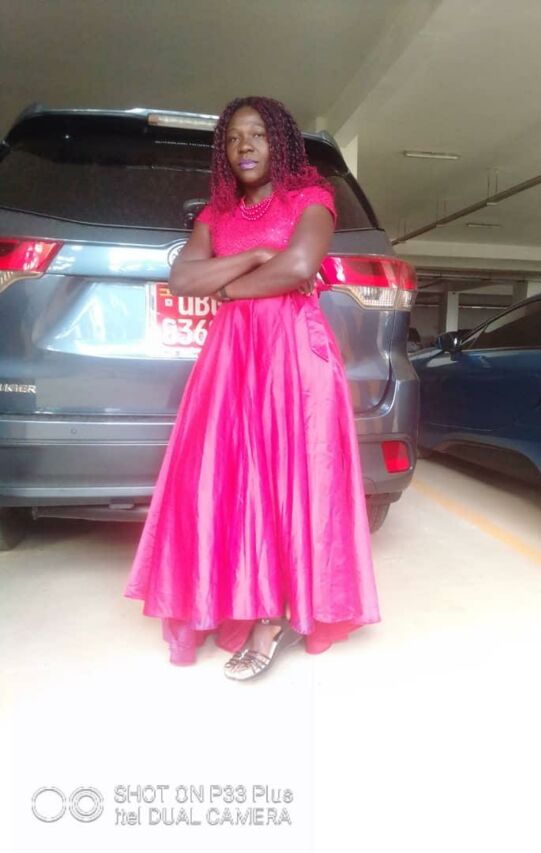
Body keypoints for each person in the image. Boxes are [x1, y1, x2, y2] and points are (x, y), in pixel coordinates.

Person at [123, 96, 381, 680]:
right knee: (227, 476)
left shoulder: (311, 199)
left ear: (280, 142)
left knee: (291, 477)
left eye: (259, 135)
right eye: (235, 138)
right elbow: (182, 278)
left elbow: (300, 267)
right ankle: (232, 597)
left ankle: (274, 619)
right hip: (231, 358)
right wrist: (260, 255)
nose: (245, 146)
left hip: (294, 355)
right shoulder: (215, 215)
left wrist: (228, 285)